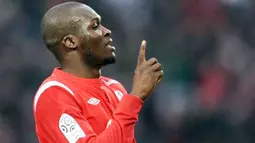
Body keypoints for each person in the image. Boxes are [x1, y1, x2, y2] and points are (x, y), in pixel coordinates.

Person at [33, 2, 163, 143]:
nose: (107, 31)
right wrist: (136, 96)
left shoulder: (114, 88)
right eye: (95, 26)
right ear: (70, 41)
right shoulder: (55, 93)